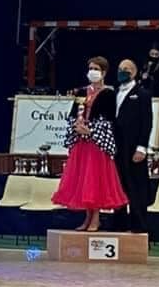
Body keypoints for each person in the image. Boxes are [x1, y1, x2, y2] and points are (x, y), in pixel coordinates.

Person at [52, 56, 127, 232]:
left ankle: (96, 218)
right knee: (83, 179)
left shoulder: (108, 93)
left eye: (96, 69)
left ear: (104, 72)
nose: (92, 72)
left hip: (96, 143)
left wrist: (91, 131)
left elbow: (109, 119)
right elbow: (73, 114)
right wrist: (77, 126)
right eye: (90, 68)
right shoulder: (81, 92)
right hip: (81, 143)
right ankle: (87, 216)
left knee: (95, 179)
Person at [112, 59, 153, 233]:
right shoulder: (114, 92)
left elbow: (147, 122)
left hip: (134, 147)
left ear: (134, 72)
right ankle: (119, 224)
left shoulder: (142, 94)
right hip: (116, 147)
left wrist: (142, 147)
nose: (123, 71)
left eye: (127, 69)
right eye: (120, 68)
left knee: (136, 186)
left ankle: (139, 225)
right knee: (118, 185)